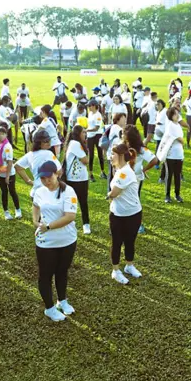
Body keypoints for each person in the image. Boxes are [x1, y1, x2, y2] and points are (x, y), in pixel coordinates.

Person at [30, 160, 78, 321]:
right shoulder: (40, 191)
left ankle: (62, 300)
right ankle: (49, 308)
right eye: (42, 178)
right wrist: (36, 222)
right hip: (46, 243)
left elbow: (70, 217)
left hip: (67, 240)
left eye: (48, 177)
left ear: (57, 174)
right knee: (46, 274)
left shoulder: (68, 191)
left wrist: (48, 226)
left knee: (62, 271)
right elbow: (35, 206)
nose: (46, 181)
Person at [107, 144, 143, 284]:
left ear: (121, 156)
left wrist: (108, 195)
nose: (110, 157)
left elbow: (114, 193)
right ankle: (115, 271)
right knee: (117, 242)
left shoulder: (124, 172)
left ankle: (129, 266)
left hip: (133, 214)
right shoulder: (120, 170)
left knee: (130, 241)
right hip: (118, 215)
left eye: (112, 154)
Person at [15, 130, 61, 199]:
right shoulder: (49, 154)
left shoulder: (30, 154)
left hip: (35, 194)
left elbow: (17, 166)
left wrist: (28, 181)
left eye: (49, 140)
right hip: (48, 193)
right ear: (39, 143)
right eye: (45, 141)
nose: (49, 142)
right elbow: (59, 171)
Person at [64, 125, 91, 234]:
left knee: (81, 202)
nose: (85, 134)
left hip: (79, 179)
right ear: (78, 134)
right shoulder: (75, 144)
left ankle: (85, 224)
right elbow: (85, 160)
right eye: (83, 132)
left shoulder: (74, 143)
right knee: (78, 202)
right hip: (75, 180)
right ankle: (84, 224)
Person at [0, 126, 22, 221]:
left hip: (8, 174)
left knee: (12, 191)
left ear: (6, 134)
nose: (0, 136)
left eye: (2, 134)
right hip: (0, 173)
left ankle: (18, 209)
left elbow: (10, 162)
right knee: (4, 192)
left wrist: (7, 176)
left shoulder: (7, 146)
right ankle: (6, 211)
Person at [161, 107, 185, 203]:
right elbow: (180, 139)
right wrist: (181, 141)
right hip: (170, 155)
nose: (177, 115)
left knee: (177, 175)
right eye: (175, 114)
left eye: (177, 113)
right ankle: (167, 195)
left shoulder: (178, 125)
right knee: (169, 175)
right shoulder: (170, 125)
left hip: (179, 155)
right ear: (171, 116)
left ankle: (177, 194)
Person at [85, 100, 107, 181]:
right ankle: (90, 174)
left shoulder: (98, 115)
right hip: (90, 136)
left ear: (94, 106)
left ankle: (102, 172)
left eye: (89, 106)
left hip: (97, 135)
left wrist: (86, 130)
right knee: (91, 155)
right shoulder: (90, 114)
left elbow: (96, 128)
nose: (88, 107)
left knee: (100, 154)